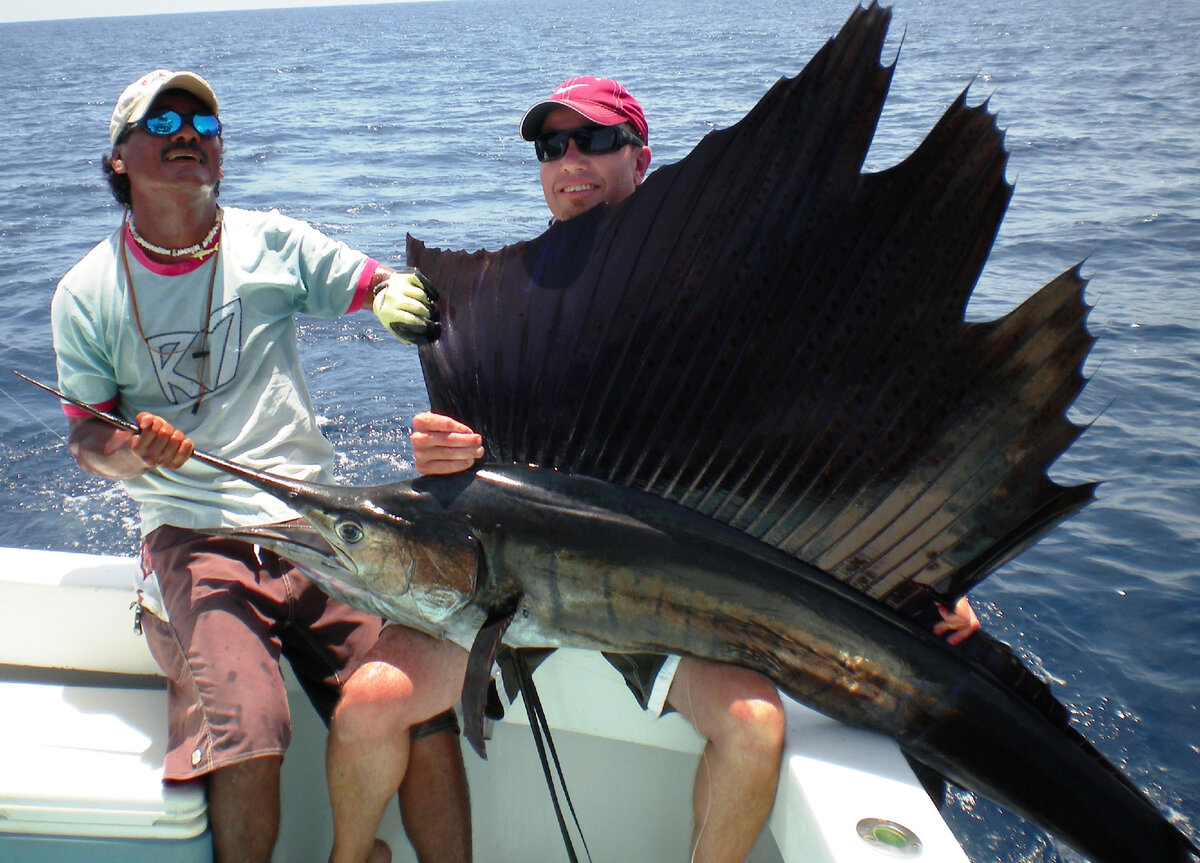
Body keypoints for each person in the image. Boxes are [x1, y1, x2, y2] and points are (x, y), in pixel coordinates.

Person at [328, 77, 981, 863]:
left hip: (654, 599)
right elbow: (464, 497)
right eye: (551, 145)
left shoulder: (704, 303)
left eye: (595, 140)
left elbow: (817, 442)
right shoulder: (509, 301)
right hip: (509, 589)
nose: (570, 159)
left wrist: (912, 566)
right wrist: (438, 462)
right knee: (366, 706)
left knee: (754, 726)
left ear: (641, 156)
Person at [50, 69, 469, 863]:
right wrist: (136, 451)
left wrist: (388, 297)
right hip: (194, 535)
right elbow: (86, 440)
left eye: (206, 125)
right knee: (251, 728)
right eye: (164, 119)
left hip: (314, 522)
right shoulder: (86, 291)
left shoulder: (272, 240)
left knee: (417, 707)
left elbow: (369, 280)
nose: (189, 134)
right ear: (117, 159)